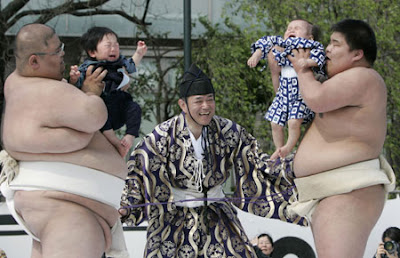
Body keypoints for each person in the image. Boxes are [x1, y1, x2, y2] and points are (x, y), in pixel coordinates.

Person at [119, 63, 307, 257]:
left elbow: (256, 163)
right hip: (174, 219)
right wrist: (128, 206)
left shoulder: (228, 131)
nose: (206, 106)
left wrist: (291, 166)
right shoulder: (161, 136)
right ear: (183, 105)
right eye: (198, 101)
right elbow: (140, 173)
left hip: (217, 214)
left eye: (210, 100)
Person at [0, 23, 129, 258]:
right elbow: (93, 115)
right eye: (57, 50)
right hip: (67, 210)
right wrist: (90, 92)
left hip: (53, 202)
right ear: (34, 62)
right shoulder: (43, 90)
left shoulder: (18, 84)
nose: (63, 55)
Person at [287, 19, 396, 257]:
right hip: (336, 190)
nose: (327, 49)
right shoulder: (344, 81)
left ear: (357, 54)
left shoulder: (364, 77)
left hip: (348, 189)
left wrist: (302, 69)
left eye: (336, 44)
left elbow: (317, 98)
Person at [247, 19, 325, 159]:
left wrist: (308, 62)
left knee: (293, 122)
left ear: (310, 37)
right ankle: (279, 150)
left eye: (296, 28)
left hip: (300, 94)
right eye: (288, 28)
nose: (291, 30)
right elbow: (266, 41)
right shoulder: (282, 44)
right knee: (275, 123)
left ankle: (288, 146)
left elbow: (320, 56)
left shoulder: (311, 46)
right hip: (283, 94)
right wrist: (257, 54)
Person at [69, 26, 148, 158]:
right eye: (108, 45)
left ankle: (129, 137)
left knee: (135, 108)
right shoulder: (88, 67)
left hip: (121, 104)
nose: (114, 48)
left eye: (116, 45)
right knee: (99, 109)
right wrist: (74, 78)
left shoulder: (120, 62)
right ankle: (115, 142)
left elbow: (131, 65)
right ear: (93, 52)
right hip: (104, 110)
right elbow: (76, 87)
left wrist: (139, 53)